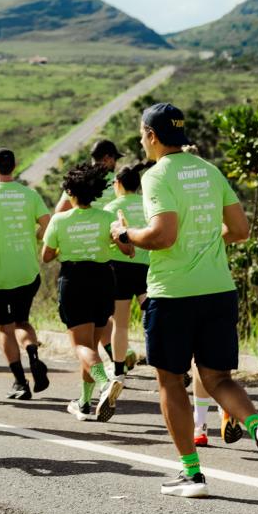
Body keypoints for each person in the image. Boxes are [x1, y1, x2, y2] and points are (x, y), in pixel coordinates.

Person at [111, 103, 258, 497]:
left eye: (142, 135)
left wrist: (127, 235)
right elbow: (241, 229)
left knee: (170, 382)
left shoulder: (158, 175)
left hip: (174, 293)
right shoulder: (209, 170)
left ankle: (192, 474)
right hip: (218, 290)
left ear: (152, 136)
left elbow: (163, 236)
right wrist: (207, 241)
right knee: (217, 379)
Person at [42, 162, 133, 422]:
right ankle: (83, 403)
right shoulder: (107, 217)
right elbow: (128, 251)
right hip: (104, 279)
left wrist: (67, 247)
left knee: (80, 345)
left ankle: (106, 382)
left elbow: (47, 256)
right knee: (91, 345)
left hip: (75, 278)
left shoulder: (60, 219)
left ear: (71, 192)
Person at [0, 147, 51, 399]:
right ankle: (34, 357)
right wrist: (34, 237)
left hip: (0, 276)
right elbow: (48, 226)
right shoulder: (30, 194)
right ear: (13, 167)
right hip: (27, 271)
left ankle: (20, 383)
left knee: (5, 328)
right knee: (22, 322)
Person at [104, 163, 152, 381]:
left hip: (119, 269)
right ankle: (173, 368)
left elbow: (107, 241)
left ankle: (118, 372)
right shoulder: (149, 204)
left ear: (119, 184)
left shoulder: (110, 208)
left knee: (121, 324)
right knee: (154, 317)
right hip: (148, 267)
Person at [55, 138, 121, 212]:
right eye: (115, 159)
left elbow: (61, 211)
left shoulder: (78, 179)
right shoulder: (120, 181)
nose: (115, 163)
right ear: (107, 158)